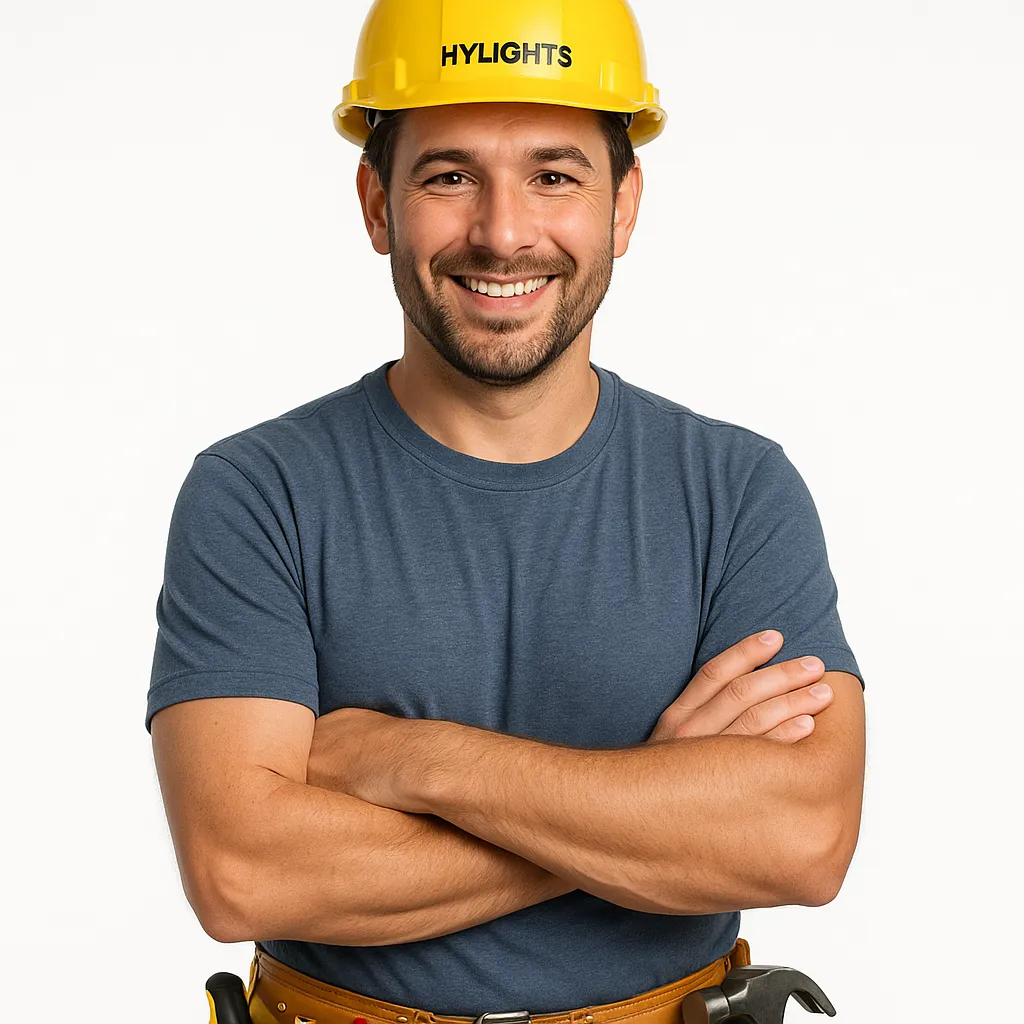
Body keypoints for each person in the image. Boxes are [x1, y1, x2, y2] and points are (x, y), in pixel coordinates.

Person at [146, 2, 867, 1023]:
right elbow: (242, 872)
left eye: (554, 175)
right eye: (448, 176)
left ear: (622, 206)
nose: (503, 231)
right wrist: (656, 803)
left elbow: (801, 840)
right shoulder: (259, 493)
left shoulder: (736, 490)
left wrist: (407, 759)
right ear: (375, 204)